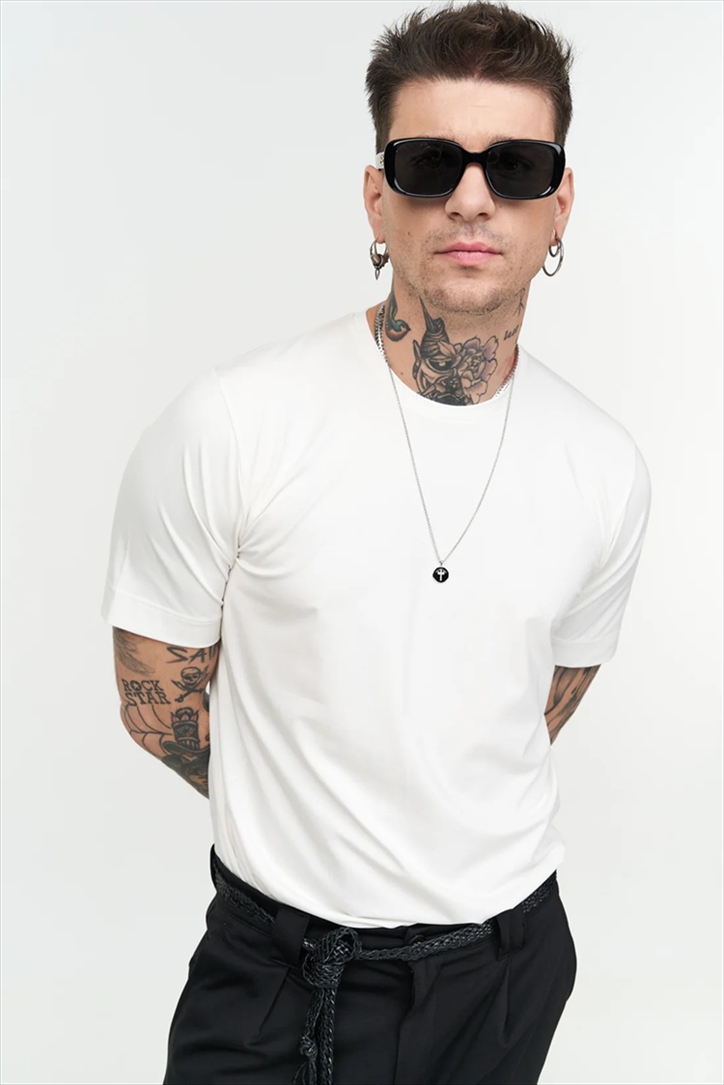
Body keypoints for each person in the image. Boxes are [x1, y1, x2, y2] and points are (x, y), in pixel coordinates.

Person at [101, 2, 652, 1082]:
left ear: (560, 204)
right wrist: (307, 809)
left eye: (517, 166)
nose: (471, 198)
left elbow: (545, 696)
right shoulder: (235, 422)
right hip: (277, 975)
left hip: (506, 971)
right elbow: (154, 693)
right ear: (376, 197)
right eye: (430, 162)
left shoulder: (605, 464)